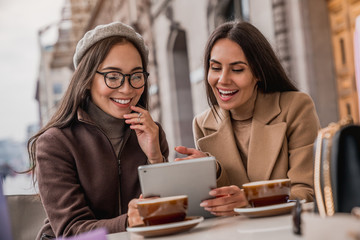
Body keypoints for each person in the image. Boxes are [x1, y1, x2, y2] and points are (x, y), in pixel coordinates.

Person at [27, 22, 169, 239]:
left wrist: (155, 158)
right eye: (113, 76)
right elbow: (71, 230)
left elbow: (166, 213)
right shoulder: (55, 143)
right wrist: (130, 221)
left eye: (136, 75)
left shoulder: (151, 132)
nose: (127, 88)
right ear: (86, 79)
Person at [175, 21, 320, 216]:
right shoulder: (202, 124)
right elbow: (219, 205)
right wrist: (213, 172)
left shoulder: (295, 107)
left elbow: (307, 193)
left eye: (237, 69)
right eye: (215, 68)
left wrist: (253, 200)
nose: (223, 79)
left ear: (258, 72)